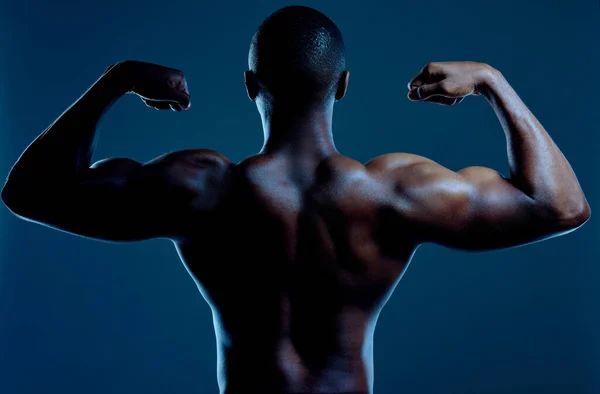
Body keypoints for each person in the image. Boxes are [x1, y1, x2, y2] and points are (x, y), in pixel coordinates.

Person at [1, 5, 590, 394]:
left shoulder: (200, 187)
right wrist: (491, 81)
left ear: (250, 86)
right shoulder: (393, 191)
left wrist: (117, 79)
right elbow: (560, 205)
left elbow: (29, 192)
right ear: (343, 83)